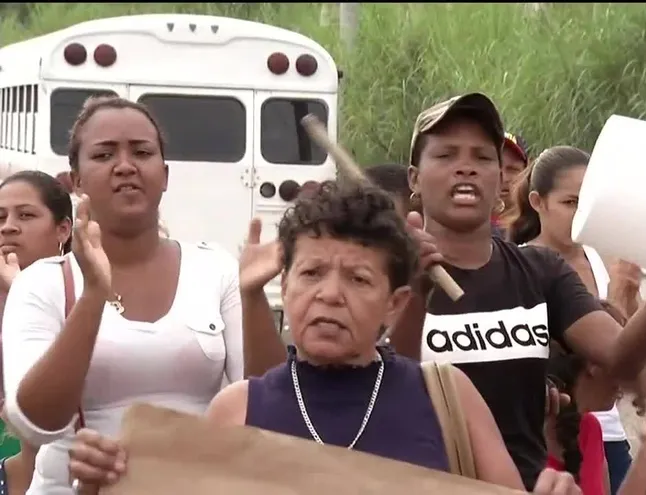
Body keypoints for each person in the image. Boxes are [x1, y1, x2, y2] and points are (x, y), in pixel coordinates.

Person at [66, 180, 580, 494]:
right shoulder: (237, 409)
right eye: (311, 274)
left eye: (358, 279)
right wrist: (101, 483)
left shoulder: (447, 396)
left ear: (395, 303)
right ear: (284, 284)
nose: (329, 296)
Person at [390, 92, 646, 491]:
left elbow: (622, 360)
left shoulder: (539, 271)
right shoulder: (386, 273)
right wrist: (416, 294)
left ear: (500, 179)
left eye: (482, 157)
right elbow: (387, 384)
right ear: (414, 179)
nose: (466, 169)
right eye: (446, 156)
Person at [0, 96, 250, 495]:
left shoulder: (215, 268)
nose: (125, 165)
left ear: (164, 175)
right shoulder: (42, 284)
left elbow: (265, 403)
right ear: (76, 180)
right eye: (103, 154)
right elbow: (35, 422)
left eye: (142, 152)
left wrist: (253, 297)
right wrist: (94, 295)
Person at [506, 145, 646, 493]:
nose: (581, 214)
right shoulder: (517, 268)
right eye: (571, 203)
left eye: (588, 203)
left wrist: (633, 298)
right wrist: (614, 299)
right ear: (538, 202)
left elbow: (636, 361)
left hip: (606, 431)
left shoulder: (608, 263)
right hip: (545, 437)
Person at [546, 301, 646, 495]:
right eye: (625, 361)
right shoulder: (529, 432)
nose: (630, 376)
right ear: (593, 364)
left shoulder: (590, 428)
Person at [0, 171, 74, 495]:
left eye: (26, 215)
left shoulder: (91, 295)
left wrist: (19, 290)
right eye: (0, 217)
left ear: (63, 229)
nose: (8, 226)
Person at [494, 132, 529, 235]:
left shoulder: (539, 227)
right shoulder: (460, 225)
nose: (503, 177)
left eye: (512, 169)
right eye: (496, 168)